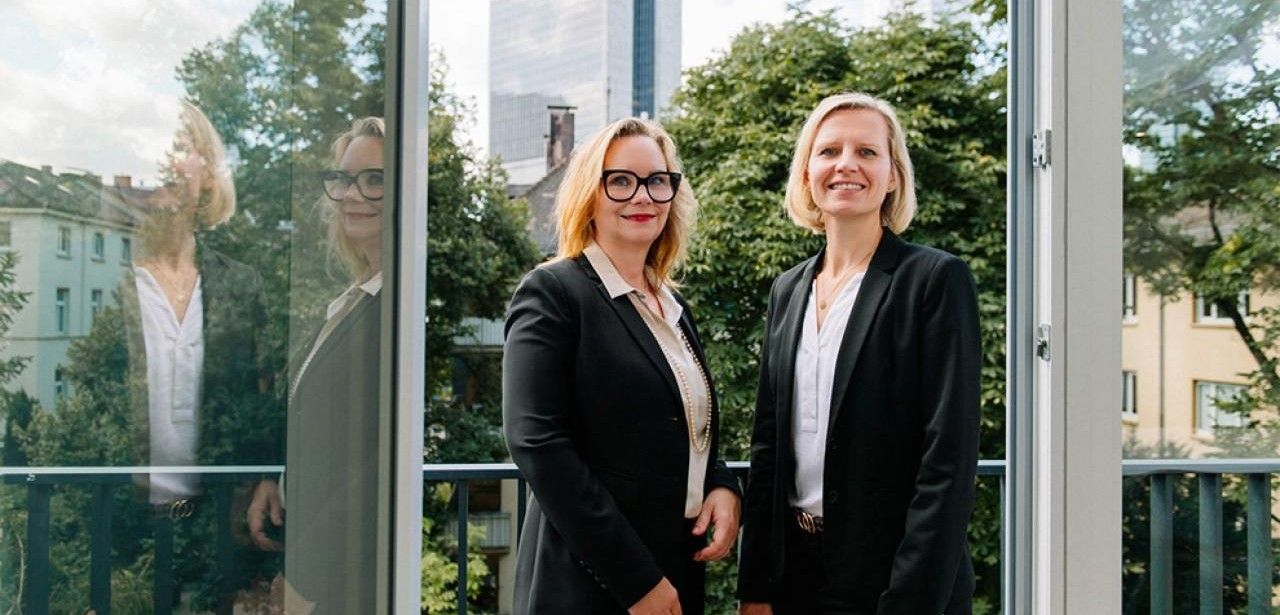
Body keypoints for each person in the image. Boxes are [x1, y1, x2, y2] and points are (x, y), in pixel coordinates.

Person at [736, 92, 981, 614]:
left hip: (894, 580)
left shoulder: (934, 280)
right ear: (807, 174)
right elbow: (767, 447)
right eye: (828, 151)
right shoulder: (788, 289)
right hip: (794, 577)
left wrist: (908, 601)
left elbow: (948, 459)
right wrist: (755, 587)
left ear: (893, 176)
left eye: (867, 152)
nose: (846, 164)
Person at [503, 117, 741, 614]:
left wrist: (721, 481)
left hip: (675, 564)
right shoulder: (554, 292)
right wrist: (636, 581)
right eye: (621, 181)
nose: (642, 196)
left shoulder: (671, 305)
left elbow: (685, 419)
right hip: (591, 581)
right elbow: (538, 443)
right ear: (589, 194)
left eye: (657, 181)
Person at [120, 99, 281, 610]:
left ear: (207, 174)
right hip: (119, 533)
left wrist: (266, 475)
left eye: (177, 146)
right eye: (149, 149)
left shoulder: (240, 285)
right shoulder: (110, 282)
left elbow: (262, 399)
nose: (163, 160)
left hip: (223, 532)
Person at [246, 116, 385, 614]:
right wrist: (274, 476)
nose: (352, 194)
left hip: (348, 578)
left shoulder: (396, 310)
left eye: (374, 179)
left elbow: (374, 470)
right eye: (344, 179)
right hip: (316, 554)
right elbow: (315, 414)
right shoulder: (356, 299)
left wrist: (306, 578)